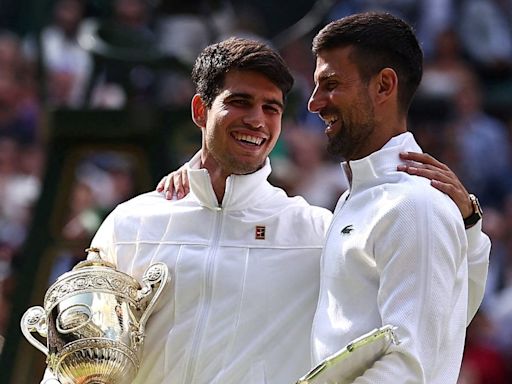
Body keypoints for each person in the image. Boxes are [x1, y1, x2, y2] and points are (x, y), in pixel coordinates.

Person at [42, 34, 488, 384]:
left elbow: (440, 308)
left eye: (271, 108)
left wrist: (466, 224)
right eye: (239, 102)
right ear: (201, 110)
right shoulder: (132, 222)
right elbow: (71, 353)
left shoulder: (317, 231)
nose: (257, 119)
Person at [306, 12, 489, 382]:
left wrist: (469, 227)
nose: (314, 103)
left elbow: (410, 364)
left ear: (384, 85)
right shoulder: (356, 199)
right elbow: (446, 317)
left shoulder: (413, 204)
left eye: (330, 84)